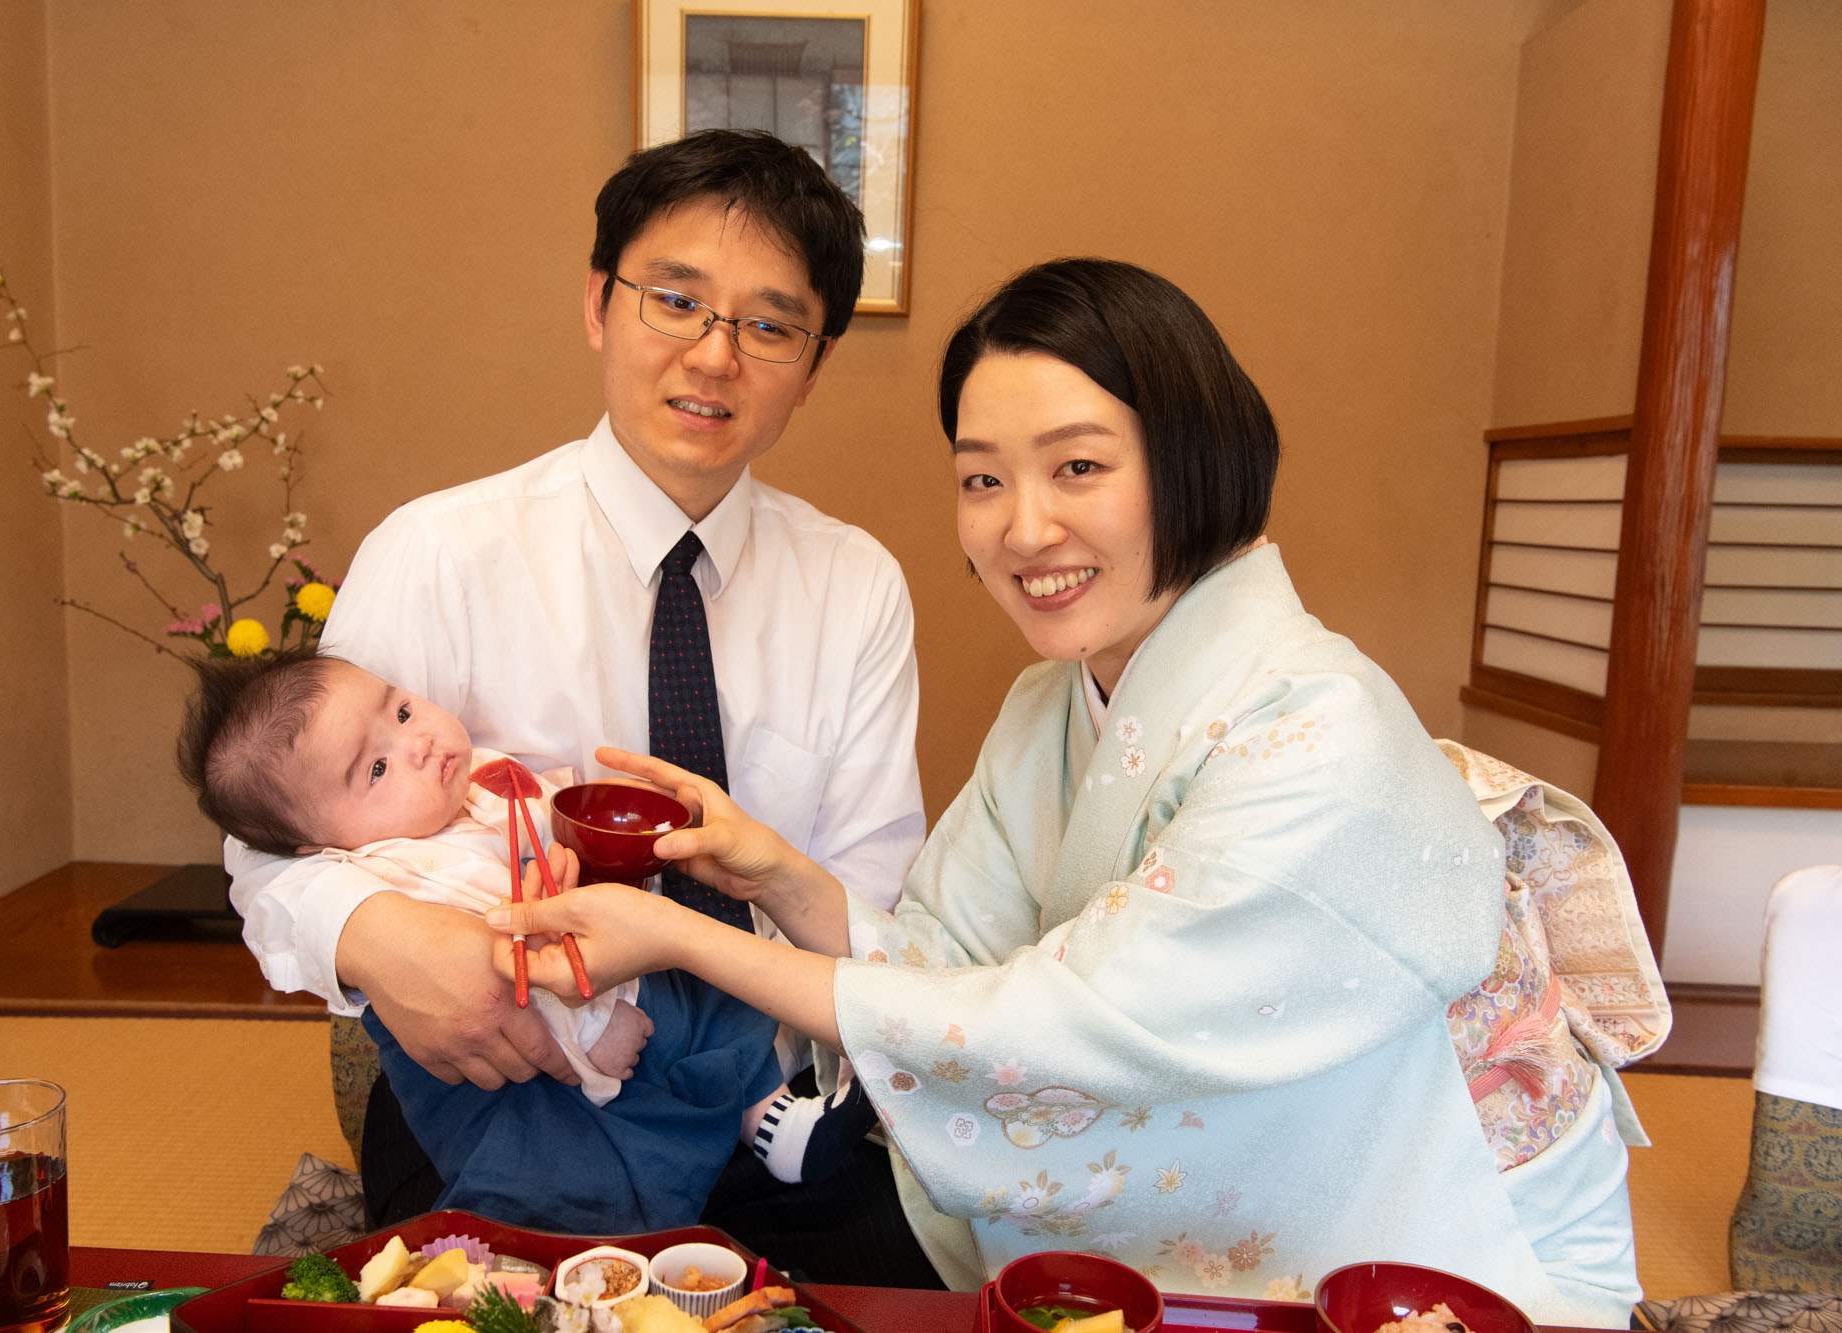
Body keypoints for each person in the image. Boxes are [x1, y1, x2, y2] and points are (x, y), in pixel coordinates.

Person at [503, 259, 1664, 1326]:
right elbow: (951, 965)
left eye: (1077, 467)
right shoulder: (1046, 709)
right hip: (1206, 1169)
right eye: (980, 478)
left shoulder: (1322, 732)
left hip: (1420, 1235)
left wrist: (682, 940)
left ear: (1190, 456)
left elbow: (1069, 1026)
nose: (1023, 527)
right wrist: (778, 875)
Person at [225, 130, 936, 1282]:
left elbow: (866, 894)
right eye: (675, 300)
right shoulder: (439, 549)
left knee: (902, 1292)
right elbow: (271, 845)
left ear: (813, 361)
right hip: (509, 1087)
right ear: (599, 304)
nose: (714, 357)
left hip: (764, 1095)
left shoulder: (855, 585)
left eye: (768, 325)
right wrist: (378, 937)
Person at [178, 648, 880, 1231]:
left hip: (627, 966)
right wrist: (592, 1036)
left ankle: (772, 1118)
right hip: (521, 1062)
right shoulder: (404, 871)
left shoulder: (478, 780)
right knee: (555, 1179)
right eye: (377, 769)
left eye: (400, 709)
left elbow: (547, 823)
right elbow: (499, 979)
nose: (418, 740)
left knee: (722, 996)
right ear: (320, 845)